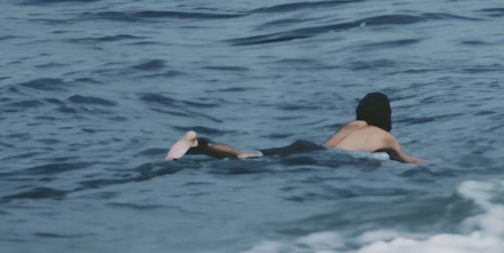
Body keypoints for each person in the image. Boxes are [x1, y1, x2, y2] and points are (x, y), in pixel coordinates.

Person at [165, 91, 422, 164]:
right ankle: (198, 146)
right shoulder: (385, 136)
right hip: (322, 158)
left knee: (248, 154)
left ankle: (198, 144)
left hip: (307, 146)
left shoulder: (352, 124)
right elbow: (406, 160)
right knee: (249, 162)